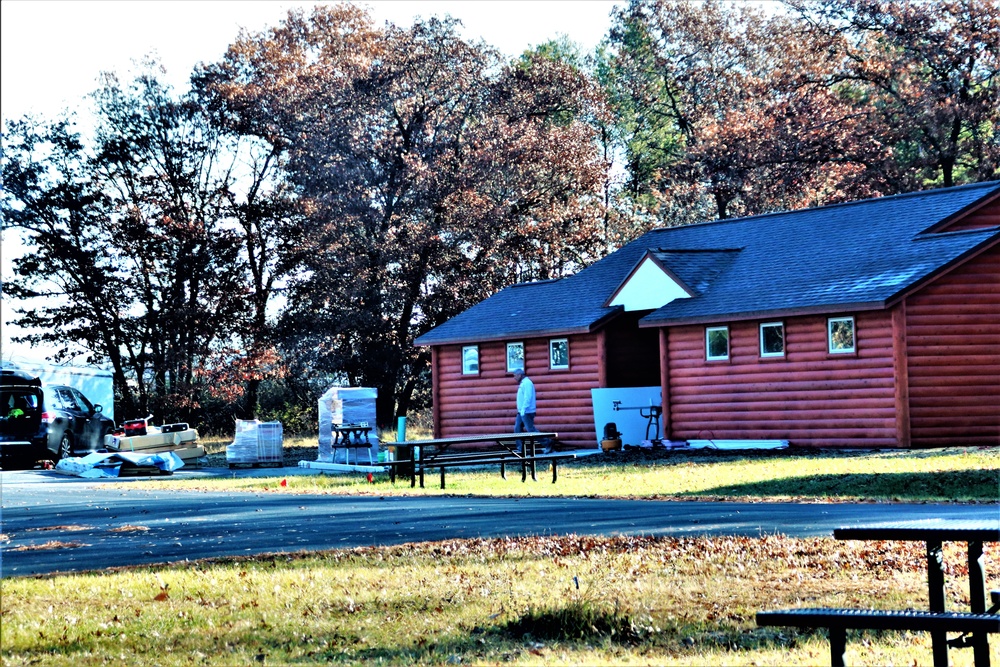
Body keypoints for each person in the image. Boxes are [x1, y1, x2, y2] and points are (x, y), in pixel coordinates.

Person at [513, 368, 537, 452]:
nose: (514, 378)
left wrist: (524, 409)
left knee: (531, 430)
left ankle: (548, 443)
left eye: (515, 376)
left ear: (520, 375)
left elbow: (528, 397)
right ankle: (520, 448)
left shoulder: (527, 383)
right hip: (521, 412)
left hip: (527, 411)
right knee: (517, 428)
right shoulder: (523, 383)